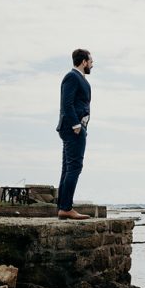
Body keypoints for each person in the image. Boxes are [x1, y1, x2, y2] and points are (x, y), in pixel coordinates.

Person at [56, 49, 93, 220]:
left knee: (68, 168)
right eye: (90, 61)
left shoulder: (81, 79)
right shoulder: (72, 77)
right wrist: (76, 125)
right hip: (73, 128)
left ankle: (63, 207)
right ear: (84, 62)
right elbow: (66, 103)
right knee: (75, 167)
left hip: (76, 127)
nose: (92, 64)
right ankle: (66, 207)